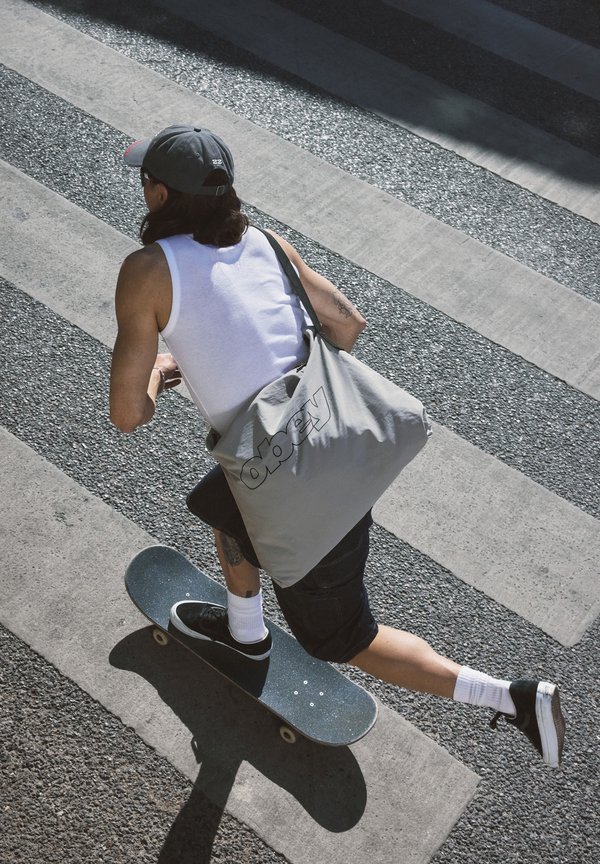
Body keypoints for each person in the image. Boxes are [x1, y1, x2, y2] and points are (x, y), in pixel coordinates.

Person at [110, 124, 565, 768]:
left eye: (146, 180)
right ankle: (246, 633)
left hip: (304, 487)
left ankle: (510, 697)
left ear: (160, 194)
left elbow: (128, 414)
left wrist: (160, 367)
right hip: (330, 442)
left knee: (343, 640)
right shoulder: (267, 241)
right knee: (226, 498)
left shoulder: (147, 271)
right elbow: (348, 325)